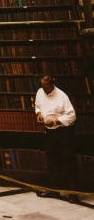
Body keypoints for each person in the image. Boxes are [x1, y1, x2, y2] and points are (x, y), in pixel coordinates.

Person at [35, 75, 78, 203]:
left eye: (45, 87)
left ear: (52, 85)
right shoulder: (40, 92)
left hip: (64, 132)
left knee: (68, 159)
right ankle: (54, 190)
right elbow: (37, 105)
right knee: (52, 159)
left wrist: (55, 121)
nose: (43, 89)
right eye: (42, 86)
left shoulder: (62, 96)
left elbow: (72, 116)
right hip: (49, 132)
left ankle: (73, 193)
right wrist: (38, 114)